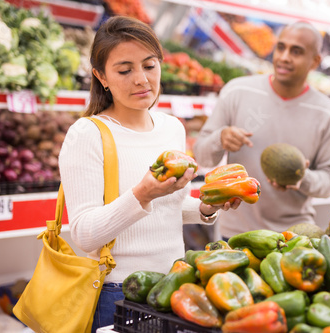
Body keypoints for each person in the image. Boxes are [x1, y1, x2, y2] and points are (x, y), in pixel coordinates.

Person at [58, 16, 239, 332]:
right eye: (125, 70)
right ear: (101, 76)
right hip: (117, 292)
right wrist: (142, 194)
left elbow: (164, 211)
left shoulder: (172, 128)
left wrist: (207, 207)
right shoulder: (87, 134)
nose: (141, 79)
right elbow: (84, 235)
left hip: (174, 282)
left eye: (149, 65)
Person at [193, 21, 330, 239]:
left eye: (296, 51)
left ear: (315, 61)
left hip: (292, 237)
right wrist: (220, 139)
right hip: (234, 234)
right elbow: (201, 155)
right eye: (281, 47)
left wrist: (301, 179)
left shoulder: (327, 113)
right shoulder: (237, 91)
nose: (284, 57)